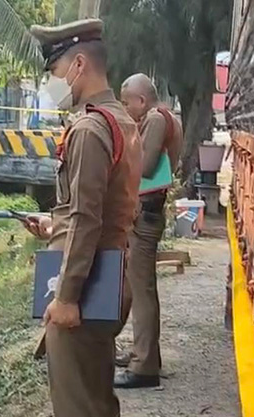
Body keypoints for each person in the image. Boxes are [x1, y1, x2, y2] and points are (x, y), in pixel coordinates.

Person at [25, 19, 142, 417]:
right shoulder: (120, 120)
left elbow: (89, 219)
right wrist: (56, 225)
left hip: (87, 288)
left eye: (54, 74)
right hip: (110, 275)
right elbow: (97, 212)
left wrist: (67, 296)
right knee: (96, 403)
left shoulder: (90, 128)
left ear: (78, 65)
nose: (53, 85)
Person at [115, 73, 183, 388]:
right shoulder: (166, 117)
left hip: (145, 215)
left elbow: (144, 166)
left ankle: (145, 366)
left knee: (142, 292)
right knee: (137, 287)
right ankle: (142, 352)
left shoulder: (156, 120)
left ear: (141, 100)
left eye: (127, 102)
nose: (126, 109)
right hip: (148, 213)